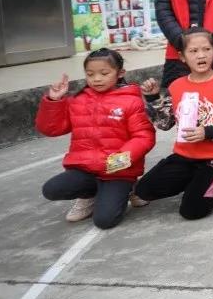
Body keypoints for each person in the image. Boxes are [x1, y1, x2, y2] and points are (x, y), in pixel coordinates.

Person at [36, 49, 155, 228]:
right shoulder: (77, 100)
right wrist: (54, 101)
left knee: (105, 220)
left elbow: (144, 136)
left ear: (120, 73)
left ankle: (130, 188)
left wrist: (118, 161)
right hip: (85, 169)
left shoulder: (132, 101)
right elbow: (51, 129)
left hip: (117, 171)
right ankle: (88, 194)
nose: (96, 79)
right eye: (90, 74)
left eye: (104, 73)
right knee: (51, 190)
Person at [135, 29, 213, 219]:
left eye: (206, 49)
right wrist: (153, 98)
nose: (201, 55)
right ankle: (198, 180)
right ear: (182, 56)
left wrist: (208, 132)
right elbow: (165, 123)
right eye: (193, 51)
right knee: (143, 190)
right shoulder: (176, 86)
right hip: (185, 155)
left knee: (192, 211)